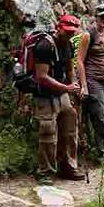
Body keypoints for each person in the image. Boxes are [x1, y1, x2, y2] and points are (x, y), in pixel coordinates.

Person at [32, 14, 85, 182]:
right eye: (67, 31)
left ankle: (68, 166)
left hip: (62, 93)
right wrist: (66, 87)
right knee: (47, 133)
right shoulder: (44, 46)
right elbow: (42, 76)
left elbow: (70, 68)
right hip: (44, 95)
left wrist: (74, 86)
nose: (69, 34)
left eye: (72, 32)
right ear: (58, 27)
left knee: (70, 128)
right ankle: (45, 172)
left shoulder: (68, 45)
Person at [76, 4, 104, 159]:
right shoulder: (88, 35)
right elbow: (79, 61)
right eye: (102, 17)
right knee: (100, 115)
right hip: (94, 79)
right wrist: (84, 85)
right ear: (96, 17)